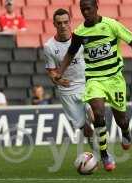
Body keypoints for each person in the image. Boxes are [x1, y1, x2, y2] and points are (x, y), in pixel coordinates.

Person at [53, 0, 132, 171]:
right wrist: (60, 71)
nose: (85, 12)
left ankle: (125, 132)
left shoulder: (111, 25)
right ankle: (105, 155)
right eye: (82, 9)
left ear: (97, 7)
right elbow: (70, 53)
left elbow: (131, 37)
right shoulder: (80, 32)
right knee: (97, 113)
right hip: (94, 79)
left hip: (114, 79)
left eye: (88, 8)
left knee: (121, 119)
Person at [44, 8, 93, 148]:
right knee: (86, 129)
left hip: (86, 83)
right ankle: (99, 153)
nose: (63, 25)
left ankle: (105, 152)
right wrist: (56, 79)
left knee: (95, 115)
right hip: (67, 90)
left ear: (70, 22)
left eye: (65, 22)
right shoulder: (49, 46)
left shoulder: (81, 39)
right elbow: (51, 71)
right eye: (59, 23)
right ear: (54, 24)